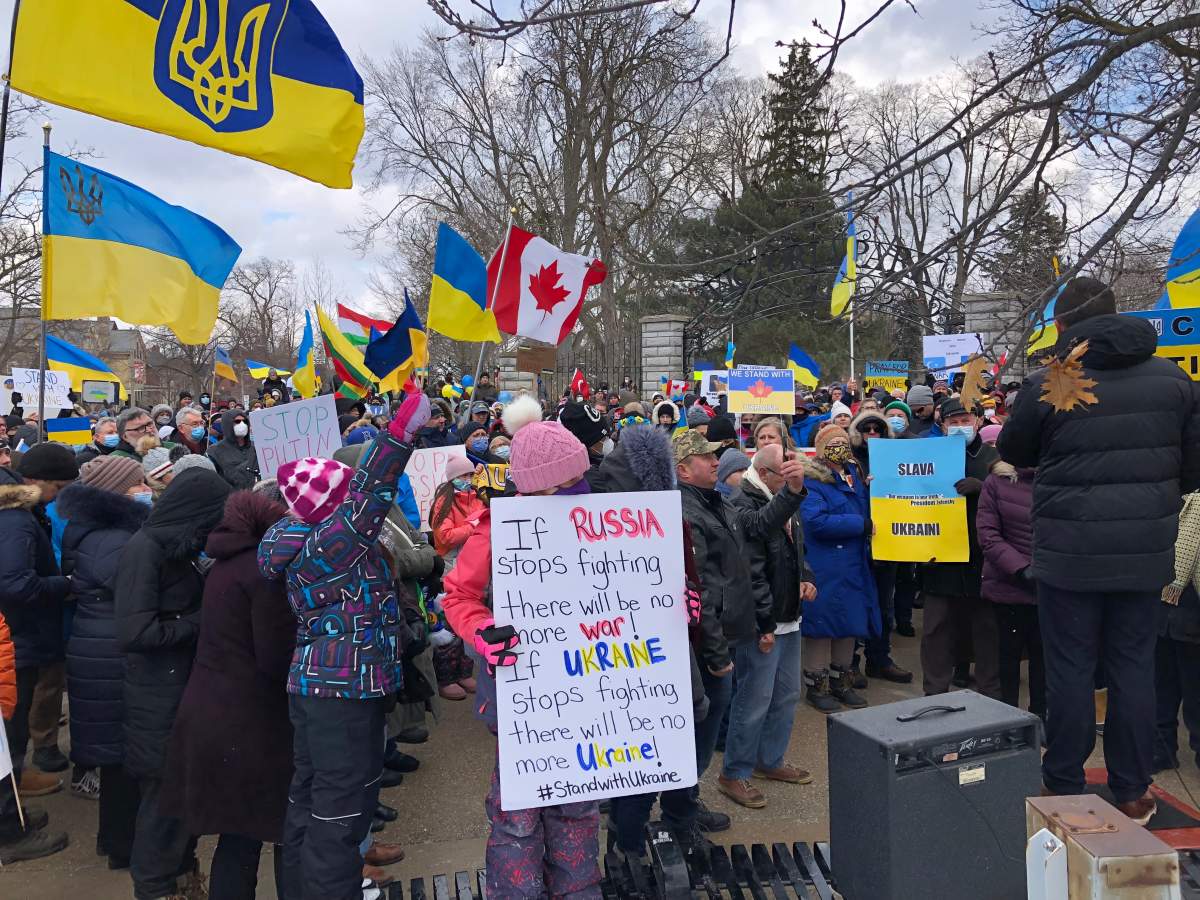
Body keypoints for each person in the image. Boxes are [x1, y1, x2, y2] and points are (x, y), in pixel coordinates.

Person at [1000, 276, 1200, 824]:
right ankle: (1133, 788)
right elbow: (1192, 471)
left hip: (1069, 553)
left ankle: (1063, 780)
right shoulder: (1174, 379)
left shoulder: (1058, 380)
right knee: (1135, 667)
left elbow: (1016, 449)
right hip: (1144, 553)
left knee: (1069, 668)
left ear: (1063, 326)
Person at [258, 393, 429, 900]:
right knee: (341, 811)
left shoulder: (299, 536)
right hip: (343, 691)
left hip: (318, 686)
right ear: (332, 504)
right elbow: (374, 488)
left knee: (310, 801)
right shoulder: (334, 541)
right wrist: (400, 430)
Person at [440, 408, 603, 900]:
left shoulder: (603, 521)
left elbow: (631, 589)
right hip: (520, 694)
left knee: (578, 806)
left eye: (582, 477)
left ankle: (578, 891)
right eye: (570, 481)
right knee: (519, 812)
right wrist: (482, 630)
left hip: (589, 688)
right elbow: (457, 596)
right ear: (540, 488)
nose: (582, 488)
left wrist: (673, 606)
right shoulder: (497, 529)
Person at [159, 489, 297, 899]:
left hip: (215, 709)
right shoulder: (263, 572)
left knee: (238, 837)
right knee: (282, 831)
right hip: (254, 719)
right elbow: (274, 655)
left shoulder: (222, 563)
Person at [671, 429, 805, 846]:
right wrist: (715, 653)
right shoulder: (684, 513)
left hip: (727, 634)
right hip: (707, 642)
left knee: (710, 723)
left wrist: (793, 491)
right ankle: (680, 811)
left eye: (715, 456)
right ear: (682, 468)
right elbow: (702, 590)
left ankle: (686, 804)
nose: (716, 461)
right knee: (701, 725)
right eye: (705, 457)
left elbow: (759, 525)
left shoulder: (717, 502)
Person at [115, 467, 231, 900]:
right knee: (163, 805)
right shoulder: (144, 551)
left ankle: (182, 877)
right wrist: (200, 623)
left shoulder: (173, 550)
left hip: (178, 693)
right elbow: (135, 633)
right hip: (157, 699)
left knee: (183, 798)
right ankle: (156, 888)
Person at [718, 444, 816, 809]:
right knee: (753, 699)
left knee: (787, 695)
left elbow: (794, 549)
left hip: (789, 615)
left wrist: (805, 576)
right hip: (764, 621)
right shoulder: (742, 501)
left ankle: (769, 760)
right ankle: (734, 772)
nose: (792, 478)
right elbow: (751, 570)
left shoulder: (779, 495)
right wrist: (764, 623)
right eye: (785, 473)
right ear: (765, 472)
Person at [0, 444, 76, 863]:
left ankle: (10, 812)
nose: (58, 496)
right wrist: (63, 584)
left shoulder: (19, 515)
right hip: (16, 641)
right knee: (7, 740)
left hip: (17, 639)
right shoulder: (14, 522)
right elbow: (14, 584)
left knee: (10, 739)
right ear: (37, 481)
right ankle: (9, 834)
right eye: (58, 487)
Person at [919, 397, 1003, 701]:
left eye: (965, 421)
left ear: (978, 422)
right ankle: (935, 693)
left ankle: (990, 695)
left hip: (984, 558)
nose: (959, 427)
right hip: (938, 556)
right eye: (953, 422)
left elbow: (1014, 497)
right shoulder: (925, 455)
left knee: (986, 630)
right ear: (942, 425)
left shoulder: (994, 457)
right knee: (936, 630)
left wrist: (984, 488)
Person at [798, 424, 879, 711]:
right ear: (821, 449)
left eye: (843, 442)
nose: (839, 447)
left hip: (853, 565)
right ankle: (816, 685)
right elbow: (816, 522)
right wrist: (861, 525)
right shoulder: (812, 480)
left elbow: (867, 509)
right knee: (822, 627)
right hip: (826, 566)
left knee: (848, 624)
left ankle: (841, 682)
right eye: (833, 443)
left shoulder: (854, 476)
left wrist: (873, 491)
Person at [849, 410, 913, 685]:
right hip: (858, 543)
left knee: (884, 605)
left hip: (889, 541)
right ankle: (849, 663)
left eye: (877, 429)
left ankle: (879, 659)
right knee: (855, 605)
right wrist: (863, 489)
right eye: (867, 429)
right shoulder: (849, 462)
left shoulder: (896, 457)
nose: (872, 434)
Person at [976, 460, 1042, 722]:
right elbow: (988, 534)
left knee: (1045, 659)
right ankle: (1009, 720)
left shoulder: (1062, 475)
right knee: (1006, 658)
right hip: (1009, 583)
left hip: (1051, 584)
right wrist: (1021, 569)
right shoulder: (996, 482)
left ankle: (1041, 715)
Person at [1155, 493, 1200, 773]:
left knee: (1186, 688)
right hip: (1168, 605)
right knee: (1165, 685)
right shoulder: (1181, 499)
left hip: (1184, 607)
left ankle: (1165, 751)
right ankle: (1162, 749)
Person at [558, 399, 612, 490]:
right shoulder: (591, 480)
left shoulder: (597, 464)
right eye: (603, 438)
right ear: (587, 444)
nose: (608, 442)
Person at [208, 408, 259, 490]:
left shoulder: (255, 447)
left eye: (245, 421)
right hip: (231, 499)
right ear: (228, 425)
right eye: (237, 422)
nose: (242, 424)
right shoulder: (214, 451)